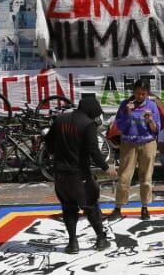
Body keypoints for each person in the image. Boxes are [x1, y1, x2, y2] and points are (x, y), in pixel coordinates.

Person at [45, 95, 115, 254]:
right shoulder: (88, 124)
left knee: (68, 208)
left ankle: (72, 243)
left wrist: (56, 154)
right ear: (91, 111)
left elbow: (48, 142)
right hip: (79, 174)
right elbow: (93, 149)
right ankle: (101, 239)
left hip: (60, 174)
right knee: (90, 206)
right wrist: (106, 167)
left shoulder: (60, 119)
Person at [112, 80, 162, 221]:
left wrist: (151, 120)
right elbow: (120, 127)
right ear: (133, 91)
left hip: (147, 143)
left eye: (143, 94)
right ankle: (118, 207)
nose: (140, 96)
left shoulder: (151, 105)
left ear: (147, 94)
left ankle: (145, 207)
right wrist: (128, 112)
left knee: (146, 177)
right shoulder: (125, 104)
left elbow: (156, 129)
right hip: (129, 143)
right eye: (138, 93)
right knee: (124, 177)